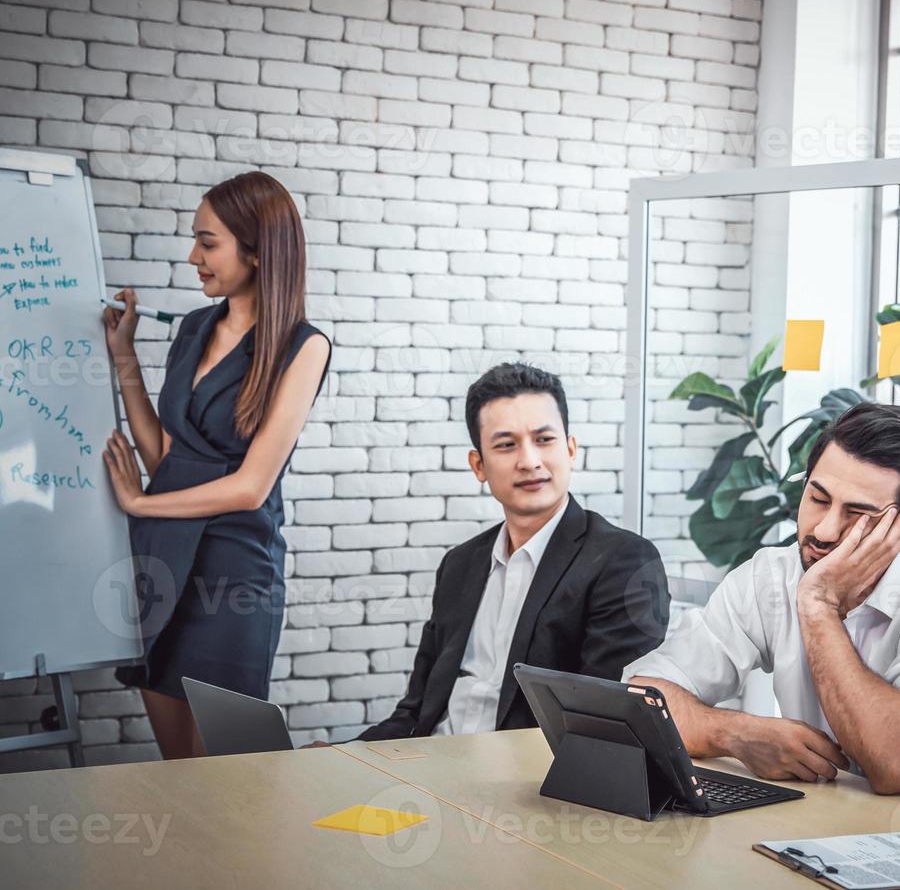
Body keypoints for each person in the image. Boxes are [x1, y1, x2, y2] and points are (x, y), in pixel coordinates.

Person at [625, 402, 900, 828]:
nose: (823, 530)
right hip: (824, 829)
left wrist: (820, 605)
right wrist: (733, 733)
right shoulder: (771, 574)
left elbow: (895, 764)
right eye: (817, 498)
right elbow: (641, 698)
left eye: (857, 514)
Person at [102, 171, 332, 759]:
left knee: (228, 778)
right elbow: (166, 456)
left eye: (208, 243)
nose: (193, 257)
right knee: (178, 771)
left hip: (235, 574)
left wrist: (139, 502)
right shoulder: (193, 328)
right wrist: (124, 356)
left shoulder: (302, 347)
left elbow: (252, 487)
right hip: (161, 560)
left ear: (255, 252)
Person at [357, 362, 670, 741]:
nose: (529, 461)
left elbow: (603, 727)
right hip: (426, 766)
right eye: (506, 445)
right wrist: (342, 756)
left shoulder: (623, 562)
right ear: (479, 465)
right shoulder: (460, 565)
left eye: (544, 440)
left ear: (570, 450)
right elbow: (416, 711)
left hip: (523, 783)